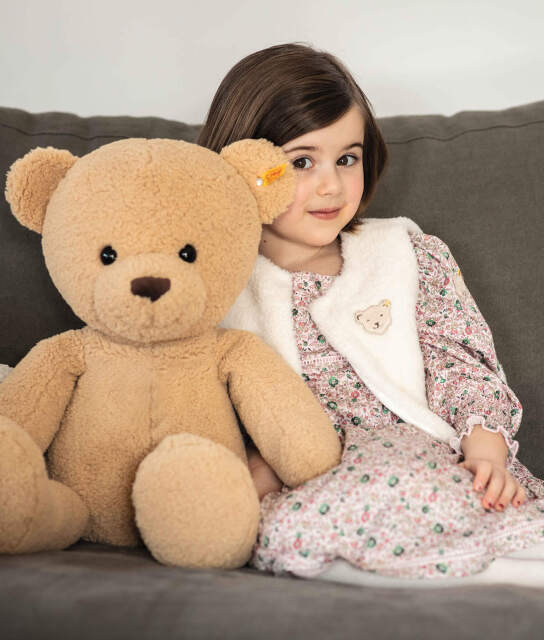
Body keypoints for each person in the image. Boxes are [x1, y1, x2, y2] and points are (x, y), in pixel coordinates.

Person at [197, 42, 544, 584]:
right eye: (302, 162)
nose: (331, 185)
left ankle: (491, 561)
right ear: (243, 164)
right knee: (294, 524)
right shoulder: (212, 286)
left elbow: (461, 366)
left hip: (428, 459)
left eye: (347, 159)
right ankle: (404, 569)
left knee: (442, 493)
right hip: (306, 479)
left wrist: (487, 455)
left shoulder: (407, 256)